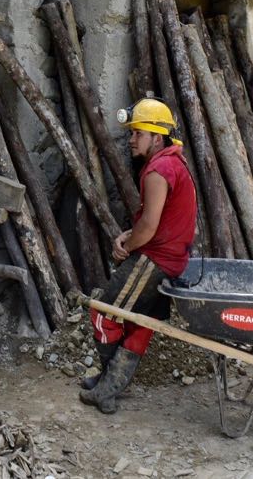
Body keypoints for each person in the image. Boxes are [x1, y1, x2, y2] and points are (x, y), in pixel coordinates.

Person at [78, 98, 197, 414]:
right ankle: (108, 383)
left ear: (157, 137)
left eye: (138, 133)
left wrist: (125, 247)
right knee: (142, 322)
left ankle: (108, 387)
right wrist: (130, 235)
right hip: (170, 258)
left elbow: (148, 227)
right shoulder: (173, 162)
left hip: (155, 260)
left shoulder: (158, 170)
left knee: (103, 313)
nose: (131, 139)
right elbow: (157, 221)